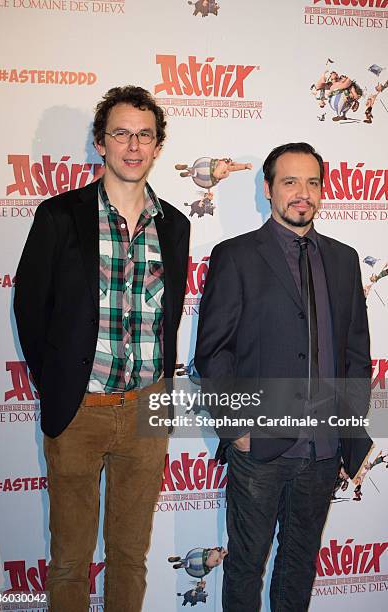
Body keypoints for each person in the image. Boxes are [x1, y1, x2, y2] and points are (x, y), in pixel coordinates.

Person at [14, 86, 190, 612]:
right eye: (121, 134)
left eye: (144, 135)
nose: (133, 146)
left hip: (146, 410)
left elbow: (171, 316)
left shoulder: (175, 226)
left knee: (131, 556)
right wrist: (62, 384)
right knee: (69, 560)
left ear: (158, 146)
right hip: (79, 410)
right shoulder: (58, 217)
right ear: (100, 143)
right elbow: (29, 310)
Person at [195, 142, 372, 611]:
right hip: (261, 450)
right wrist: (238, 430)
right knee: (245, 566)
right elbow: (213, 353)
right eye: (290, 182)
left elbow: (357, 354)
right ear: (269, 189)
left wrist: (347, 432)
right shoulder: (236, 256)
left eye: (312, 182)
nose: (303, 193)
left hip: (323, 451)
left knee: (299, 566)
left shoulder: (343, 258)